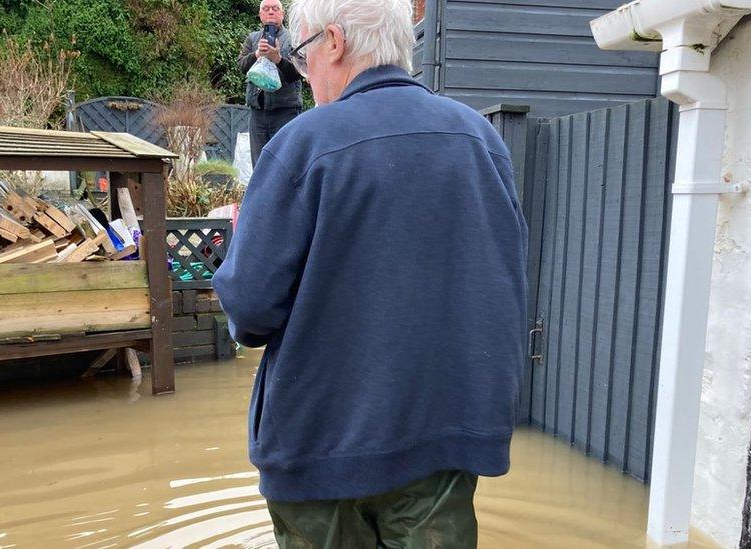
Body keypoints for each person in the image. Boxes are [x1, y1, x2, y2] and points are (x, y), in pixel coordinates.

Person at [212, 0, 527, 546]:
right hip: (443, 443)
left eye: (303, 54)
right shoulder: (482, 141)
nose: (303, 73)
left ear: (334, 42)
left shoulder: (303, 144)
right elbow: (503, 283)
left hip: (319, 449)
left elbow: (250, 307)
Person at [238, 0, 303, 166]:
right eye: (266, 9)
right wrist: (257, 53)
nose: (271, 12)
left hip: (285, 111)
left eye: (275, 9)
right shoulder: (252, 39)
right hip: (258, 112)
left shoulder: (293, 38)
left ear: (282, 14)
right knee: (259, 164)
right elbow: (242, 66)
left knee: (285, 163)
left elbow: (300, 72)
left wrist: (278, 59)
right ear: (260, 15)